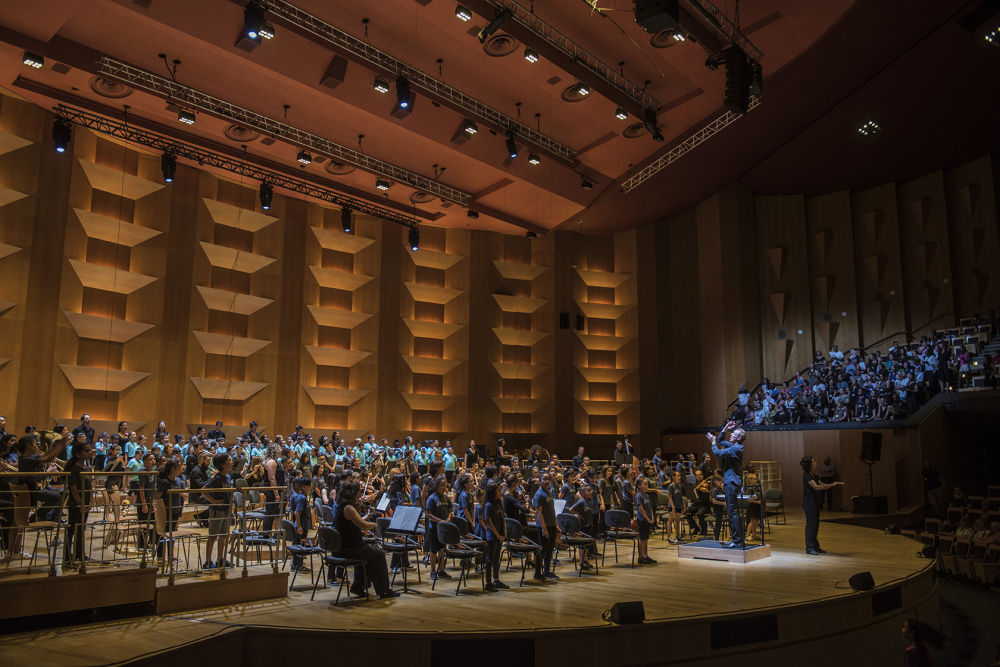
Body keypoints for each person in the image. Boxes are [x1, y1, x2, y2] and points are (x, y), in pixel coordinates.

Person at [333, 479, 398, 599]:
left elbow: (357, 522)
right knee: (378, 554)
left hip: (344, 547)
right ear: (353, 493)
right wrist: (373, 525)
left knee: (370, 552)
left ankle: (358, 585)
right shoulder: (349, 508)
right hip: (349, 548)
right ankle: (384, 590)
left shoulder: (342, 506)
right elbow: (363, 525)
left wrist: (367, 516)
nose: (360, 494)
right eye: (359, 492)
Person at [707, 420, 746, 548]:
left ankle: (737, 540)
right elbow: (721, 440)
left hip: (731, 482)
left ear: (739, 438)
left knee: (732, 511)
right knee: (733, 511)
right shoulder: (734, 446)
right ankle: (739, 539)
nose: (731, 435)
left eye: (733, 434)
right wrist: (725, 428)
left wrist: (712, 443)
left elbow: (717, 452)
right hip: (732, 482)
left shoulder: (736, 448)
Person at [801, 456, 844, 555]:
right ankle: (809, 547)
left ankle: (815, 546)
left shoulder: (814, 476)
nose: (815, 463)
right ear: (809, 465)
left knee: (815, 526)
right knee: (811, 526)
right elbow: (816, 487)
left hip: (815, 503)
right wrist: (833, 484)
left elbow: (822, 485)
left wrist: (833, 484)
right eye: (813, 461)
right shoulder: (807, 475)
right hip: (809, 503)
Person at [63, 441, 93, 567]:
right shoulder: (75, 468)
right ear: (78, 454)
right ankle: (67, 556)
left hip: (85, 504)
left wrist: (90, 501)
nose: (89, 453)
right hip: (76, 505)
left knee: (81, 529)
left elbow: (90, 486)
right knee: (72, 530)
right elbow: (73, 487)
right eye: (86, 451)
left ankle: (80, 553)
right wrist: (79, 502)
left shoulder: (87, 468)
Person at [201, 453, 234, 569]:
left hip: (226, 510)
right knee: (213, 536)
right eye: (229, 460)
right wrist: (213, 500)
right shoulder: (217, 478)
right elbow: (203, 490)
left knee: (223, 535)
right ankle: (207, 561)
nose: (232, 461)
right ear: (223, 464)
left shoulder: (228, 477)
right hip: (217, 511)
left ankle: (221, 559)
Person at [481, 481, 508, 591]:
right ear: (492, 492)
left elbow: (503, 519)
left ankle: (496, 580)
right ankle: (488, 582)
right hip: (493, 536)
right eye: (498, 491)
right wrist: (497, 535)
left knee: (496, 559)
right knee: (490, 559)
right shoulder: (488, 505)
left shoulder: (498, 504)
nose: (500, 493)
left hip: (500, 536)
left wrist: (504, 532)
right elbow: (489, 522)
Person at [533, 473, 559, 581]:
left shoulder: (549, 492)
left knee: (549, 550)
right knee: (542, 550)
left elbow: (552, 510)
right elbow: (539, 512)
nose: (547, 481)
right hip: (544, 526)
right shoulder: (539, 494)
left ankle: (547, 571)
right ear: (540, 480)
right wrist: (544, 528)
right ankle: (537, 573)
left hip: (552, 525)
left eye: (549, 479)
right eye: (544, 479)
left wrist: (556, 524)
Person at [635, 477, 656, 564]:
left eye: (647, 484)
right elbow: (641, 508)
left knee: (646, 538)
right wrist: (647, 519)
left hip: (648, 519)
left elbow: (649, 507)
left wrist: (652, 517)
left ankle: (645, 555)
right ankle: (640, 557)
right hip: (642, 519)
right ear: (639, 486)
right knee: (642, 538)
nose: (646, 486)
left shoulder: (646, 495)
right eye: (644, 484)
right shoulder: (638, 495)